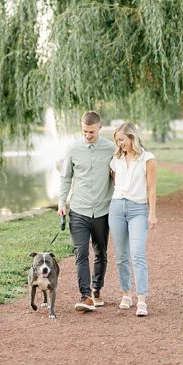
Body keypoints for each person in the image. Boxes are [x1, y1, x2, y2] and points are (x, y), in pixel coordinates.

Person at [58, 111, 115, 313]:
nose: (87, 135)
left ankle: (96, 290)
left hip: (102, 210)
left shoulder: (110, 148)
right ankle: (85, 296)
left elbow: (118, 175)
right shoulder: (73, 148)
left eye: (91, 132)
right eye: (84, 131)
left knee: (101, 252)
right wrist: (61, 203)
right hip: (79, 210)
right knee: (80, 253)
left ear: (100, 128)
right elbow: (65, 178)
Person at [109, 122, 158, 317]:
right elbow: (115, 183)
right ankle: (126, 294)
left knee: (137, 253)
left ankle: (142, 299)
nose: (119, 144)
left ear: (131, 138)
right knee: (121, 255)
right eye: (117, 141)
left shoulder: (148, 159)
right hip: (117, 207)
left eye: (121, 139)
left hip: (138, 209)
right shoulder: (116, 158)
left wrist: (152, 213)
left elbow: (152, 189)